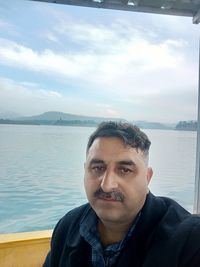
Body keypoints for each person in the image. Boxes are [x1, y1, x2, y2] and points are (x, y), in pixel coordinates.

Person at [43, 121, 200, 267]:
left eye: (125, 170)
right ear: (85, 171)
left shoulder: (190, 241)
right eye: (98, 168)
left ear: (147, 177)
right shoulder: (68, 226)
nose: (107, 185)